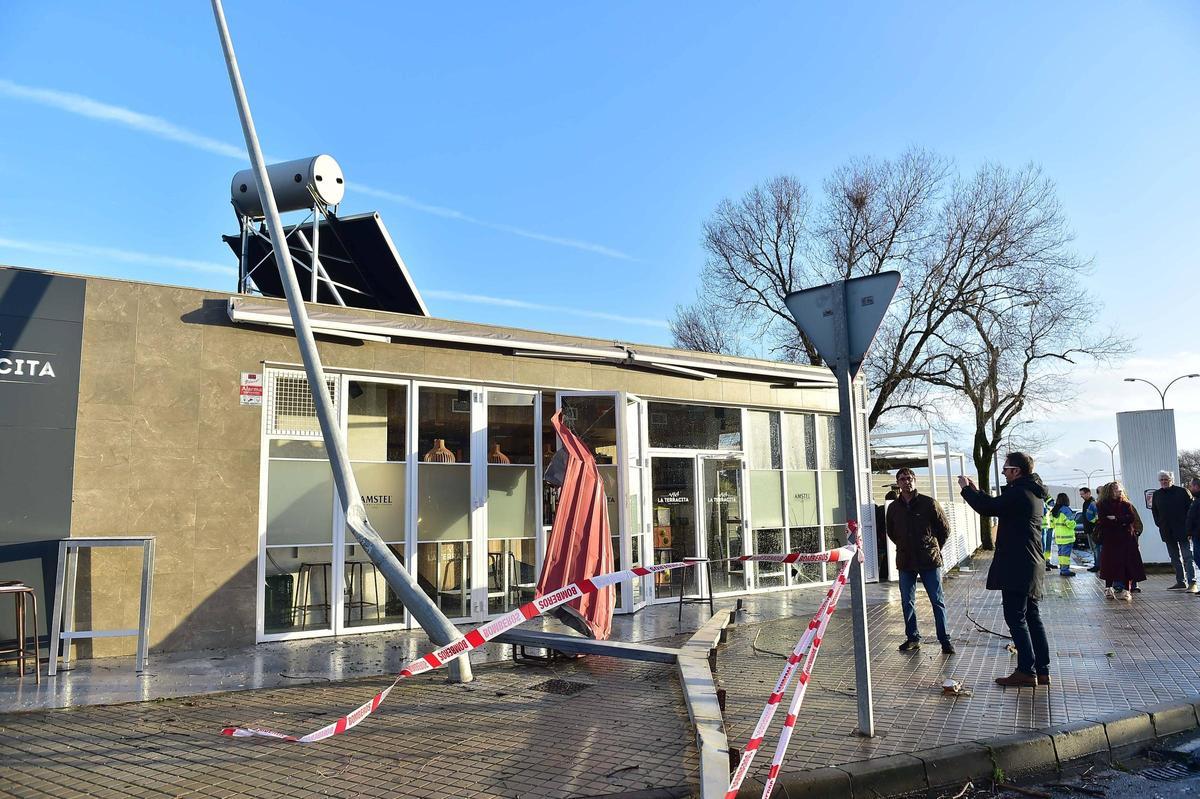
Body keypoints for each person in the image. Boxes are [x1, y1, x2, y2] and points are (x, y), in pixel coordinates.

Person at [958, 452, 1051, 688]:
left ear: (1016, 471)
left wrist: (968, 490)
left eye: (1006, 469)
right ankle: (1042, 670)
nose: (1003, 473)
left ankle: (1025, 671)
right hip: (1031, 563)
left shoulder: (1019, 492)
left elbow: (988, 507)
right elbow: (997, 504)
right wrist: (978, 491)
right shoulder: (1032, 491)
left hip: (1017, 565)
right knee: (1032, 616)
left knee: (1015, 617)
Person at [885, 467, 954, 654]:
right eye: (902, 479)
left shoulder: (929, 503)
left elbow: (944, 529)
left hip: (929, 560)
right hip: (905, 561)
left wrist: (933, 546)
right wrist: (904, 545)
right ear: (897, 483)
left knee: (937, 601)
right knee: (907, 601)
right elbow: (891, 532)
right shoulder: (893, 508)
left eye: (909, 478)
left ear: (915, 480)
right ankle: (912, 638)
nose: (906, 482)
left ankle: (945, 640)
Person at [1097, 481, 1146, 600]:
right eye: (1116, 489)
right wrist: (1120, 520)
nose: (1119, 491)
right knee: (1110, 563)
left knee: (1127, 564)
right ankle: (1108, 588)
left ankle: (1127, 590)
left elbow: (1130, 518)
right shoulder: (1102, 504)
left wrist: (1116, 518)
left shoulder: (1126, 504)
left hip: (1126, 538)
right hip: (1110, 539)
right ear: (1110, 491)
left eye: (1120, 489)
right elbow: (1104, 520)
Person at [1151, 470, 1195, 591]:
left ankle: (1192, 581)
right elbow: (1155, 512)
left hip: (1183, 530)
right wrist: (1159, 524)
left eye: (1166, 479)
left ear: (1172, 480)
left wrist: (1190, 528)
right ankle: (1180, 581)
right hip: (1167, 531)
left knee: (1188, 557)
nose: (1164, 482)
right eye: (1162, 480)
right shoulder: (1157, 494)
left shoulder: (1182, 492)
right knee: (1174, 558)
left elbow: (1191, 510)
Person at [1048, 493, 1077, 576]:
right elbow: (1070, 524)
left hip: (1058, 537)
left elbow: (1052, 524)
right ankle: (1065, 570)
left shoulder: (1054, 510)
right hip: (1067, 537)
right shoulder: (1066, 510)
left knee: (1061, 555)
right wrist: (1074, 523)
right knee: (1066, 555)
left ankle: (1062, 569)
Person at [1079, 487, 1100, 572]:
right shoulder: (1086, 503)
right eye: (1080, 495)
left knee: (1096, 548)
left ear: (1088, 493)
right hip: (1088, 529)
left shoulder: (1092, 503)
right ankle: (1096, 564)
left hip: (1093, 529)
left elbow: (1096, 517)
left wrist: (1094, 526)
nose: (1081, 496)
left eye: (1082, 494)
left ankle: (1098, 565)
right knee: (1093, 549)